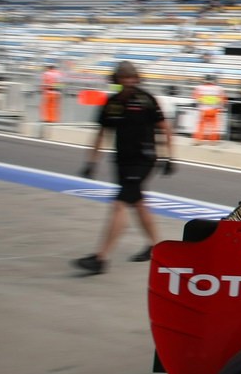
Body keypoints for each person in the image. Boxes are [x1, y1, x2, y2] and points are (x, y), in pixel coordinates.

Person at [71, 61, 175, 276]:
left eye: (131, 78)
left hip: (143, 159)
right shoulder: (112, 104)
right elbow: (102, 134)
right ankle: (156, 246)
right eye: (123, 78)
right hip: (122, 161)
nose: (128, 81)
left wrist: (169, 157)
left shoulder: (146, 100)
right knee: (137, 203)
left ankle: (101, 257)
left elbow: (165, 128)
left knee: (120, 204)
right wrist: (91, 162)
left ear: (137, 78)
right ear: (116, 80)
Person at [192, 73, 226, 142]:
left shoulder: (199, 88)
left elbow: (196, 98)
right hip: (214, 110)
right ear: (214, 80)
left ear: (204, 80)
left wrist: (205, 100)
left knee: (201, 126)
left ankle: (198, 140)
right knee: (214, 126)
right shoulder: (219, 88)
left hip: (203, 110)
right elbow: (223, 100)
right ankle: (213, 141)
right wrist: (218, 105)